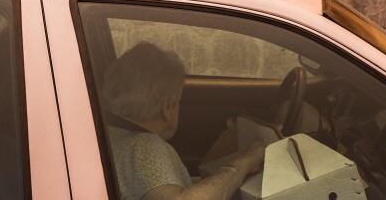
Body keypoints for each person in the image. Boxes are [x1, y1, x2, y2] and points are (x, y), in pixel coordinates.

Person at [101, 42, 265, 200]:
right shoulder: (145, 146)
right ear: (167, 108)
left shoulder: (105, 135)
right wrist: (245, 162)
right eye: (179, 101)